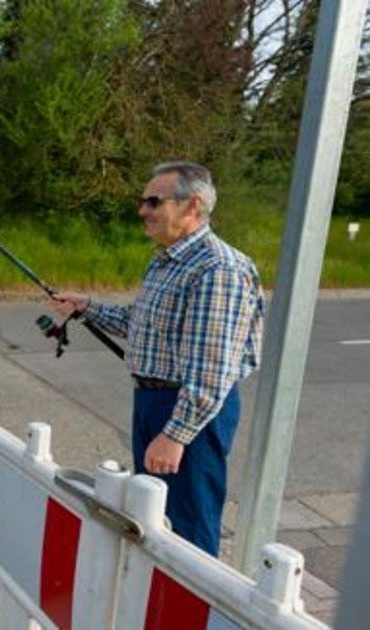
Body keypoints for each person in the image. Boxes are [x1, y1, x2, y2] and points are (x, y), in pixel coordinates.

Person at [48, 161, 264, 556]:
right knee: (155, 516)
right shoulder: (166, 260)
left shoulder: (218, 268)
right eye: (142, 201)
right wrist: (87, 308)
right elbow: (141, 323)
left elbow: (211, 367)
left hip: (186, 409)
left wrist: (176, 434)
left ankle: (190, 609)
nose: (142, 210)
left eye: (153, 201)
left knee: (188, 527)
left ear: (192, 206)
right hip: (153, 402)